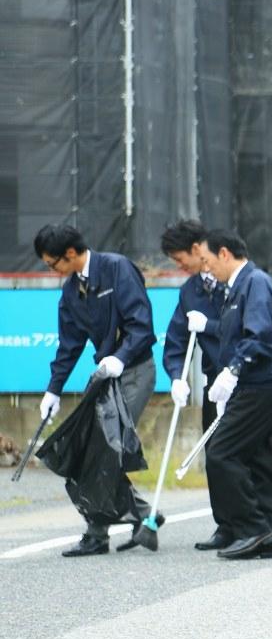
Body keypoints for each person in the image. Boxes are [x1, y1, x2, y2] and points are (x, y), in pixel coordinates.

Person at [159, 220, 272, 553]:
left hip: (249, 380)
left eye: (183, 258)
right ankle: (233, 526)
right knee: (221, 453)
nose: (185, 266)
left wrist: (227, 357)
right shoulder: (192, 290)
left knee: (269, 453)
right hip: (220, 382)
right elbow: (177, 337)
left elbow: (251, 331)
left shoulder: (244, 281)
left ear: (205, 250)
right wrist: (176, 375)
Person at [34, 223, 159, 556]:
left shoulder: (117, 269)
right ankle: (140, 518)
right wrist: (53, 391)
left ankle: (104, 530)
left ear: (71, 253)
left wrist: (120, 357)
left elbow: (141, 325)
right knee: (88, 449)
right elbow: (69, 346)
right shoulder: (72, 292)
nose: (51, 270)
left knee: (102, 449)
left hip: (134, 373)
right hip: (106, 377)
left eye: (53, 263)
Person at [198, 229, 272, 560]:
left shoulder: (254, 283)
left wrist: (232, 371)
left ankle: (252, 528)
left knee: (221, 454)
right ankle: (267, 538)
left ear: (225, 254)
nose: (206, 269)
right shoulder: (236, 288)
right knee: (260, 461)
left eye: (207, 260)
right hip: (253, 384)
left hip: (256, 385)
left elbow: (259, 336)